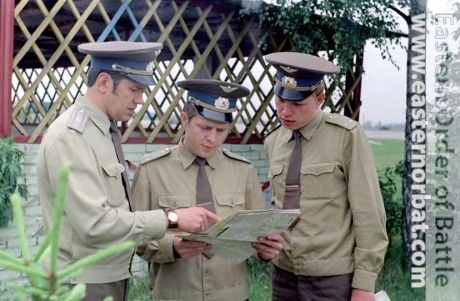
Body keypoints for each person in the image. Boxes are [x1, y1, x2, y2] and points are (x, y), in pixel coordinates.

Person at [36, 41, 220, 301]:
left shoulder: (101, 130)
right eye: (134, 89)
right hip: (79, 283)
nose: (140, 100)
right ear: (103, 82)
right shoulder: (72, 137)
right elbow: (95, 224)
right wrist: (172, 219)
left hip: (104, 277)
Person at [132, 79, 284, 301]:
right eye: (204, 128)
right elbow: (136, 236)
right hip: (175, 295)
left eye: (221, 130)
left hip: (232, 295)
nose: (212, 138)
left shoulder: (243, 171)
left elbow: (259, 233)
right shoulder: (151, 171)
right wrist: (171, 247)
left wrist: (265, 251)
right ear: (185, 119)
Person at [262, 52, 388, 301]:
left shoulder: (346, 136)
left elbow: (369, 212)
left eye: (298, 104)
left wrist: (364, 284)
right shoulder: (273, 141)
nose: (285, 111)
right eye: (280, 100)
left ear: (320, 98)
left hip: (332, 279)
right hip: (283, 275)